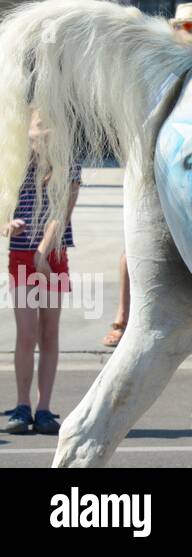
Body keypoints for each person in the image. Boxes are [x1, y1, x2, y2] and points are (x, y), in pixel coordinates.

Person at [104, 3, 192, 349]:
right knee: (136, 244)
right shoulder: (157, 64)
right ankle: (123, 318)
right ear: (176, 27)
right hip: (152, 159)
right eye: (187, 24)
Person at [4, 111, 80, 435]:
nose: (42, 137)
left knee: (50, 333)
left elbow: (62, 212)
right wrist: (6, 225)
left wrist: (43, 252)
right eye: (37, 130)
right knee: (27, 334)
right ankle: (22, 405)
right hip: (22, 256)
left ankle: (44, 408)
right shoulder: (13, 160)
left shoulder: (68, 162)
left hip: (53, 257)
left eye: (49, 131)